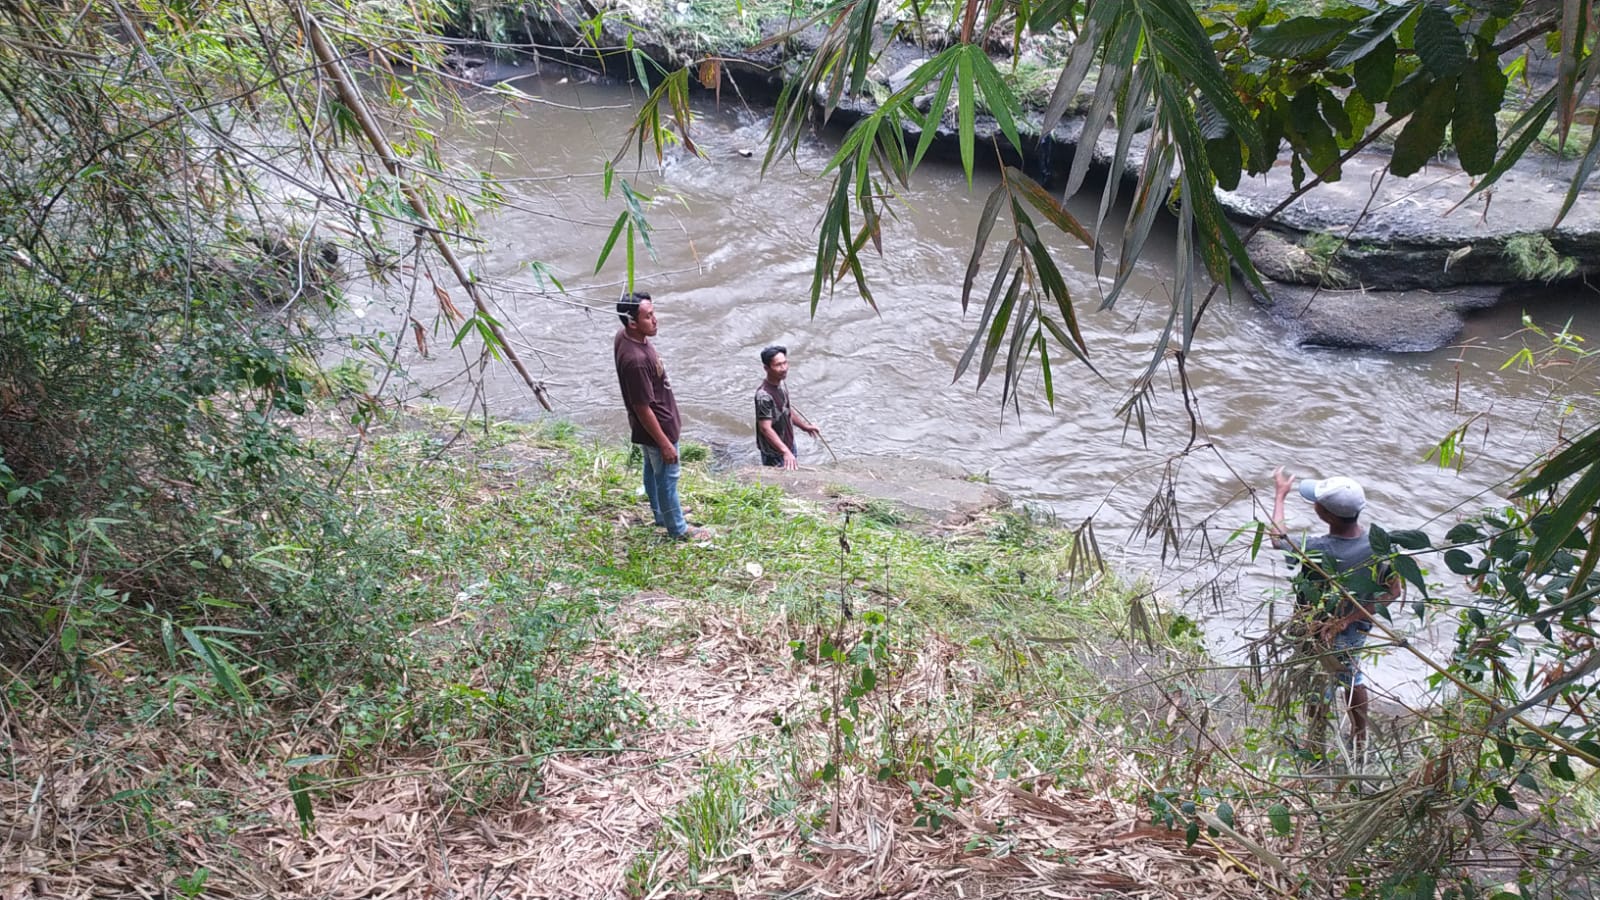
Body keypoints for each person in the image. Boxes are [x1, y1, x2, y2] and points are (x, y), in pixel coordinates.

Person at [1269, 468, 1403, 760]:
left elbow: (1277, 539)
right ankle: (1360, 736)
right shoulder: (1380, 546)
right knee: (1351, 676)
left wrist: (1280, 495)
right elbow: (1393, 592)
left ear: (1324, 514)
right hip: (1357, 626)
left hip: (1319, 628)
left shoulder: (1318, 549)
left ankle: (1315, 745)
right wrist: (1350, 619)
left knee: (1319, 682)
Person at [614, 292, 708, 541]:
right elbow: (642, 407)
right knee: (667, 478)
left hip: (648, 427)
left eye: (653, 313)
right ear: (632, 322)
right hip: (658, 428)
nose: (655, 320)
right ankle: (677, 528)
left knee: (653, 470)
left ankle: (662, 513)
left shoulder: (625, 337)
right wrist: (665, 443)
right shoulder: (635, 360)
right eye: (648, 316)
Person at [754, 345, 821, 469]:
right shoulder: (763, 396)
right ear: (766, 368)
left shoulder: (781, 384)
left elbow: (786, 410)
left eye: (785, 363)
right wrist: (785, 452)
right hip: (775, 452)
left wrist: (804, 427)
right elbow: (765, 428)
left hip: (787, 444)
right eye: (778, 365)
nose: (784, 368)